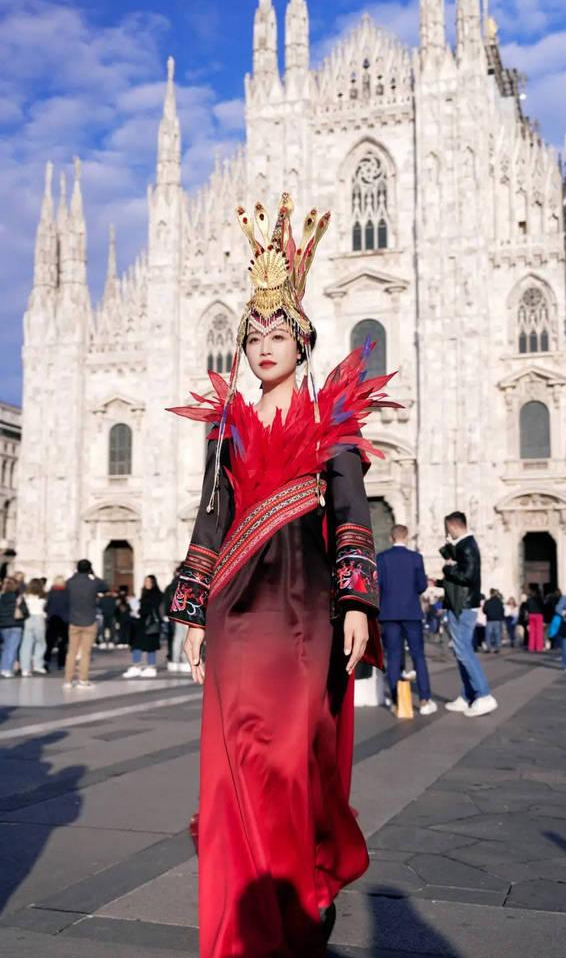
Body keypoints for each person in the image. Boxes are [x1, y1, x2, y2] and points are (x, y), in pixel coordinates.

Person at [166, 194, 395, 957]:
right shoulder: (229, 424)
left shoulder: (332, 417)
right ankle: (249, 917)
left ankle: (301, 884)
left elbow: (350, 508)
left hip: (303, 613)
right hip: (234, 613)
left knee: (292, 756)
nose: (265, 345)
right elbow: (212, 516)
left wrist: (358, 599)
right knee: (237, 759)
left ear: (303, 341)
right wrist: (192, 612)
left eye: (278, 333)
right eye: (253, 334)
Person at [434, 512, 497, 717]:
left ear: (453, 526)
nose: (447, 533)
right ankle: (468, 694)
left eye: (448, 529)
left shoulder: (466, 545)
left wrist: (447, 569)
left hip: (463, 605)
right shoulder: (464, 545)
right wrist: (439, 582)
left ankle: (484, 695)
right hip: (460, 603)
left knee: (463, 651)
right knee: (461, 650)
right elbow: (461, 579)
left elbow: (467, 576)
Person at [377, 525, 437, 716]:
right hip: (411, 613)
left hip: (389, 614)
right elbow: (421, 586)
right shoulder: (416, 558)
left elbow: (377, 586)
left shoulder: (382, 558)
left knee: (393, 656)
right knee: (418, 655)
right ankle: (425, 700)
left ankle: (397, 702)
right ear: (407, 537)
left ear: (391, 537)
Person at [64, 559, 107, 689]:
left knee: (72, 651)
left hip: (74, 620)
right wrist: (93, 575)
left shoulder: (70, 582)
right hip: (89, 620)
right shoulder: (93, 582)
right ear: (89, 569)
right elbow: (105, 587)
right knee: (85, 653)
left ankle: (68, 680)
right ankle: (82, 680)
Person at [122, 575, 163, 678]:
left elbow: (148, 609)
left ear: (153, 582)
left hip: (149, 624)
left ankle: (145, 667)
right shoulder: (146, 594)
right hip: (144, 624)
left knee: (146, 646)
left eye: (149, 581)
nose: (146, 583)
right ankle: (141, 666)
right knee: (141, 646)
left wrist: (138, 610)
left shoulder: (155, 595)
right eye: (145, 581)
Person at [0, 576, 28, 677]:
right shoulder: (18, 598)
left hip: (3, 625)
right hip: (16, 625)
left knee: (5, 648)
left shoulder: (1, 597)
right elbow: (25, 612)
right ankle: (7, 669)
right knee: (12, 648)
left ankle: (3, 668)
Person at [19, 577, 48, 676]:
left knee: (26, 644)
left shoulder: (25, 595)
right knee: (41, 643)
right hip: (39, 618)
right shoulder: (43, 596)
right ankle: (38, 665)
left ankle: (25, 668)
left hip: (28, 619)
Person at [44, 576, 70, 670]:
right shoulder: (68, 593)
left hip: (53, 619)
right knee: (63, 643)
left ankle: (46, 660)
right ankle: (61, 663)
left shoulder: (51, 593)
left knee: (50, 642)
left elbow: (46, 606)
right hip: (65, 620)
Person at [524, 583, 545, 652]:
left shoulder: (529, 599)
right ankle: (539, 647)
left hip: (531, 615)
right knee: (539, 632)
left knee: (532, 632)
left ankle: (531, 647)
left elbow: (526, 608)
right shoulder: (539, 599)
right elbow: (543, 607)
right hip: (538, 615)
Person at [482, 589, 504, 653]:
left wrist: (489, 613)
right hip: (497, 620)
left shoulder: (488, 601)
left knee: (488, 634)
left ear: (490, 594)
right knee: (497, 634)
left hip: (490, 619)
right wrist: (501, 617)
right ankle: (497, 648)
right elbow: (502, 610)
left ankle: (488, 648)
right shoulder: (499, 602)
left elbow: (484, 610)